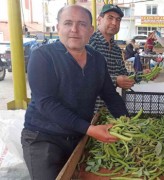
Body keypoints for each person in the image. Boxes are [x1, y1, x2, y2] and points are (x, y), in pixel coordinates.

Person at [21, 5, 129, 179]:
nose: (74, 30)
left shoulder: (97, 59)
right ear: (58, 28)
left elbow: (110, 95)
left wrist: (127, 122)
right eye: (68, 23)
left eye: (82, 24)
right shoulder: (43, 56)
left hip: (78, 135)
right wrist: (90, 129)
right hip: (44, 137)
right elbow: (46, 104)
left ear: (91, 30)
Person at [89, 4, 149, 111]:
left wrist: (142, 75)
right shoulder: (90, 44)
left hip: (107, 110)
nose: (114, 23)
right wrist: (115, 81)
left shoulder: (116, 50)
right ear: (99, 19)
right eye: (110, 18)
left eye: (118, 20)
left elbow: (124, 75)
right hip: (89, 111)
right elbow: (84, 76)